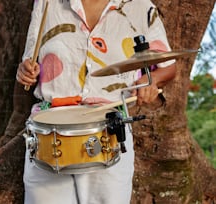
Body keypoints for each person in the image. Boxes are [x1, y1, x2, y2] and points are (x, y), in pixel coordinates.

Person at [16, 0, 176, 203]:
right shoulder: (47, 3)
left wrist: (148, 82)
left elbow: (169, 66)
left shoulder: (140, 7)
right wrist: (26, 72)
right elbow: (29, 62)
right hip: (48, 133)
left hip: (109, 132)